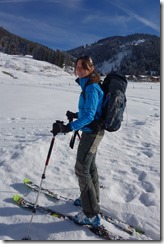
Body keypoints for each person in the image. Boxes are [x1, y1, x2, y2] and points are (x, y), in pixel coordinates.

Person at [52, 56, 104, 227]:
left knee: (82, 169)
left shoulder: (91, 87)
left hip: (91, 134)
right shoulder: (89, 84)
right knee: (90, 168)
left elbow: (89, 116)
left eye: (83, 67)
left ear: (91, 68)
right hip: (94, 131)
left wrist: (68, 128)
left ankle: (90, 214)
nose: (79, 70)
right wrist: (75, 115)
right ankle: (90, 200)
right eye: (77, 67)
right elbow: (92, 111)